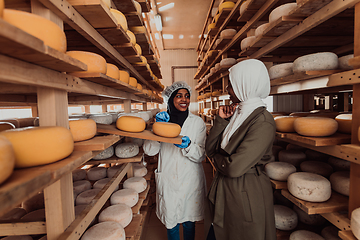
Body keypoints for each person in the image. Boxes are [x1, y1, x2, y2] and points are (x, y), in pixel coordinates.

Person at [204, 59, 277, 240]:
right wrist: (221, 120)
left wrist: (216, 159)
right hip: (227, 188)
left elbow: (234, 167)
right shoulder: (238, 114)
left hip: (245, 192)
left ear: (246, 84)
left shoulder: (263, 122)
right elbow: (210, 148)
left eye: (231, 84)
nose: (228, 89)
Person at [143, 81, 207, 240]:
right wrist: (157, 128)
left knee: (189, 221)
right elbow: (149, 150)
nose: (184, 99)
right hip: (169, 178)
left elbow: (201, 155)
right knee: (171, 222)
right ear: (170, 99)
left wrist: (188, 146)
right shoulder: (162, 122)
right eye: (179, 96)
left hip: (190, 178)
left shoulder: (197, 122)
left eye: (187, 96)